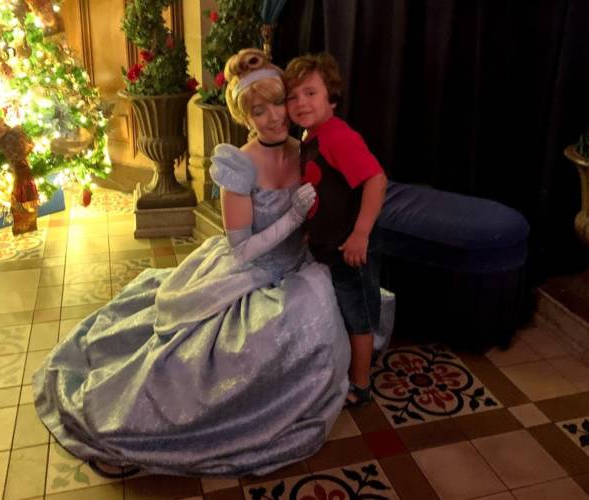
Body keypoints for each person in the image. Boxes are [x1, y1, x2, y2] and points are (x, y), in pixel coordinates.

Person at [33, 48, 351, 477]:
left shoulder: (306, 147)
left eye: (279, 103)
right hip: (250, 274)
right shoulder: (238, 164)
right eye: (260, 110)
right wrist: (293, 216)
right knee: (225, 355)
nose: (275, 117)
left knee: (317, 318)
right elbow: (242, 250)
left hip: (298, 269)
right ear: (246, 117)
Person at [283, 53, 387, 408]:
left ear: (332, 97)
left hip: (350, 247)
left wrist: (360, 233)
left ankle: (360, 383)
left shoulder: (337, 136)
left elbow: (375, 179)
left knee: (357, 314)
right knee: (343, 308)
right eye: (293, 96)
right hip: (331, 242)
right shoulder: (311, 134)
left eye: (310, 93)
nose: (301, 103)